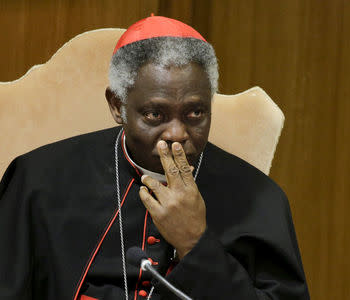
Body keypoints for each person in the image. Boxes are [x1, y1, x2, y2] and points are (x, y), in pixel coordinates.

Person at [0, 16, 309, 300]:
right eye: (154, 114)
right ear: (117, 106)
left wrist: (195, 243)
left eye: (195, 113)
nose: (177, 133)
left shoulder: (260, 199)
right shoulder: (38, 180)